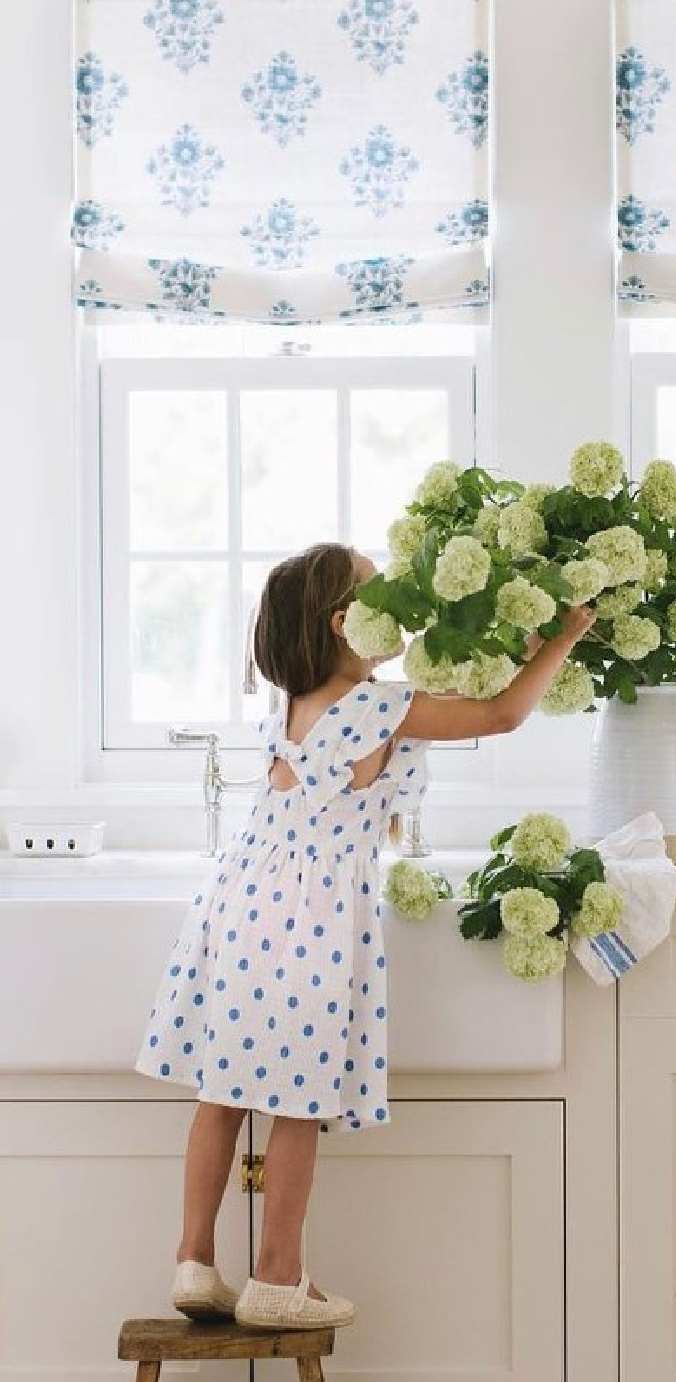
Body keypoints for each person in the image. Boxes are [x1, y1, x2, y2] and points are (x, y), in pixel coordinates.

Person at [134, 541, 595, 1330]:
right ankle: (278, 1275)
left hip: (236, 902)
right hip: (310, 918)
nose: (408, 613)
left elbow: (432, 693)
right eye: (391, 600)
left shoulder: (289, 705)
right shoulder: (380, 708)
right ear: (349, 623)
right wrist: (563, 637)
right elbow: (501, 715)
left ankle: (195, 1260)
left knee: (220, 1094)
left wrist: (494, 648)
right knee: (296, 1106)